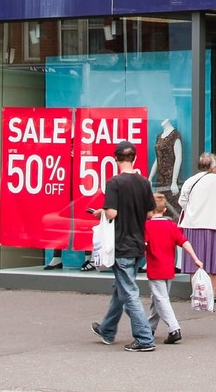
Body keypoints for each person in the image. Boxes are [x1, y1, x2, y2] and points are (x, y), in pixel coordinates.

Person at [92, 141, 158, 352]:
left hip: (121, 244)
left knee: (129, 292)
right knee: (119, 289)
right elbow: (149, 213)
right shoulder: (144, 183)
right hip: (138, 243)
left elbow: (112, 212)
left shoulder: (114, 183)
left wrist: (101, 211)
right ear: (135, 158)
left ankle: (145, 338)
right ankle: (108, 330)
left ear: (115, 159)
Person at [176, 151, 216, 300]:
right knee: (213, 260)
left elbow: (182, 202)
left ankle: (196, 292)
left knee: (194, 260)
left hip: (192, 224)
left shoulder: (190, 180)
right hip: (213, 224)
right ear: (214, 166)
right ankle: (213, 292)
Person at [144, 193, 198, 346]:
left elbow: (144, 245)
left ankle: (174, 328)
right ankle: (150, 327)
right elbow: (184, 242)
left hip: (155, 269)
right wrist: (195, 258)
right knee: (158, 299)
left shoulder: (147, 226)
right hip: (168, 269)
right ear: (165, 210)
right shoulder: (171, 226)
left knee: (161, 299)